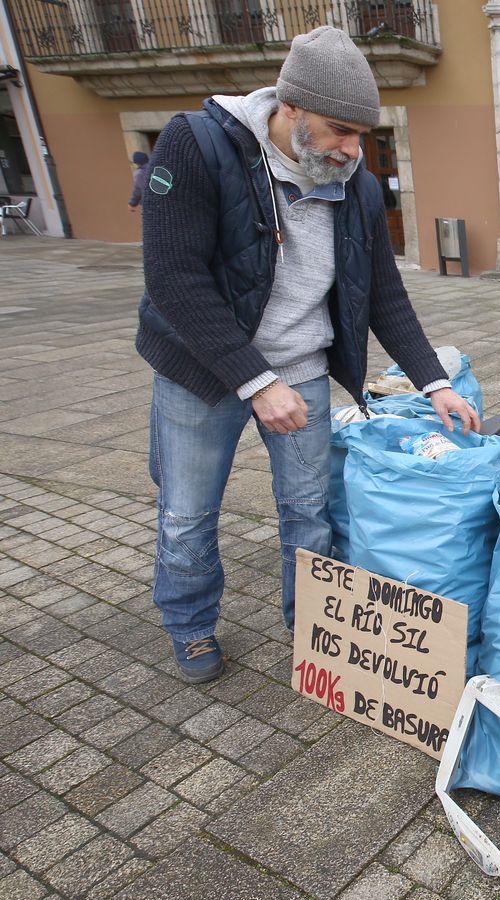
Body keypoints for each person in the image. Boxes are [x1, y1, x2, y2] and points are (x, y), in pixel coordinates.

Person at [136, 26, 479, 684]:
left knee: (309, 509)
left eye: (362, 135)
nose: (352, 151)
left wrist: (434, 382)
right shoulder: (198, 145)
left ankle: (315, 625)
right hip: (202, 372)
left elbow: (384, 295)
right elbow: (175, 282)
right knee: (187, 511)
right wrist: (255, 381)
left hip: (300, 370)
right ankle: (190, 624)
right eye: (337, 131)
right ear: (289, 109)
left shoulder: (356, 185)